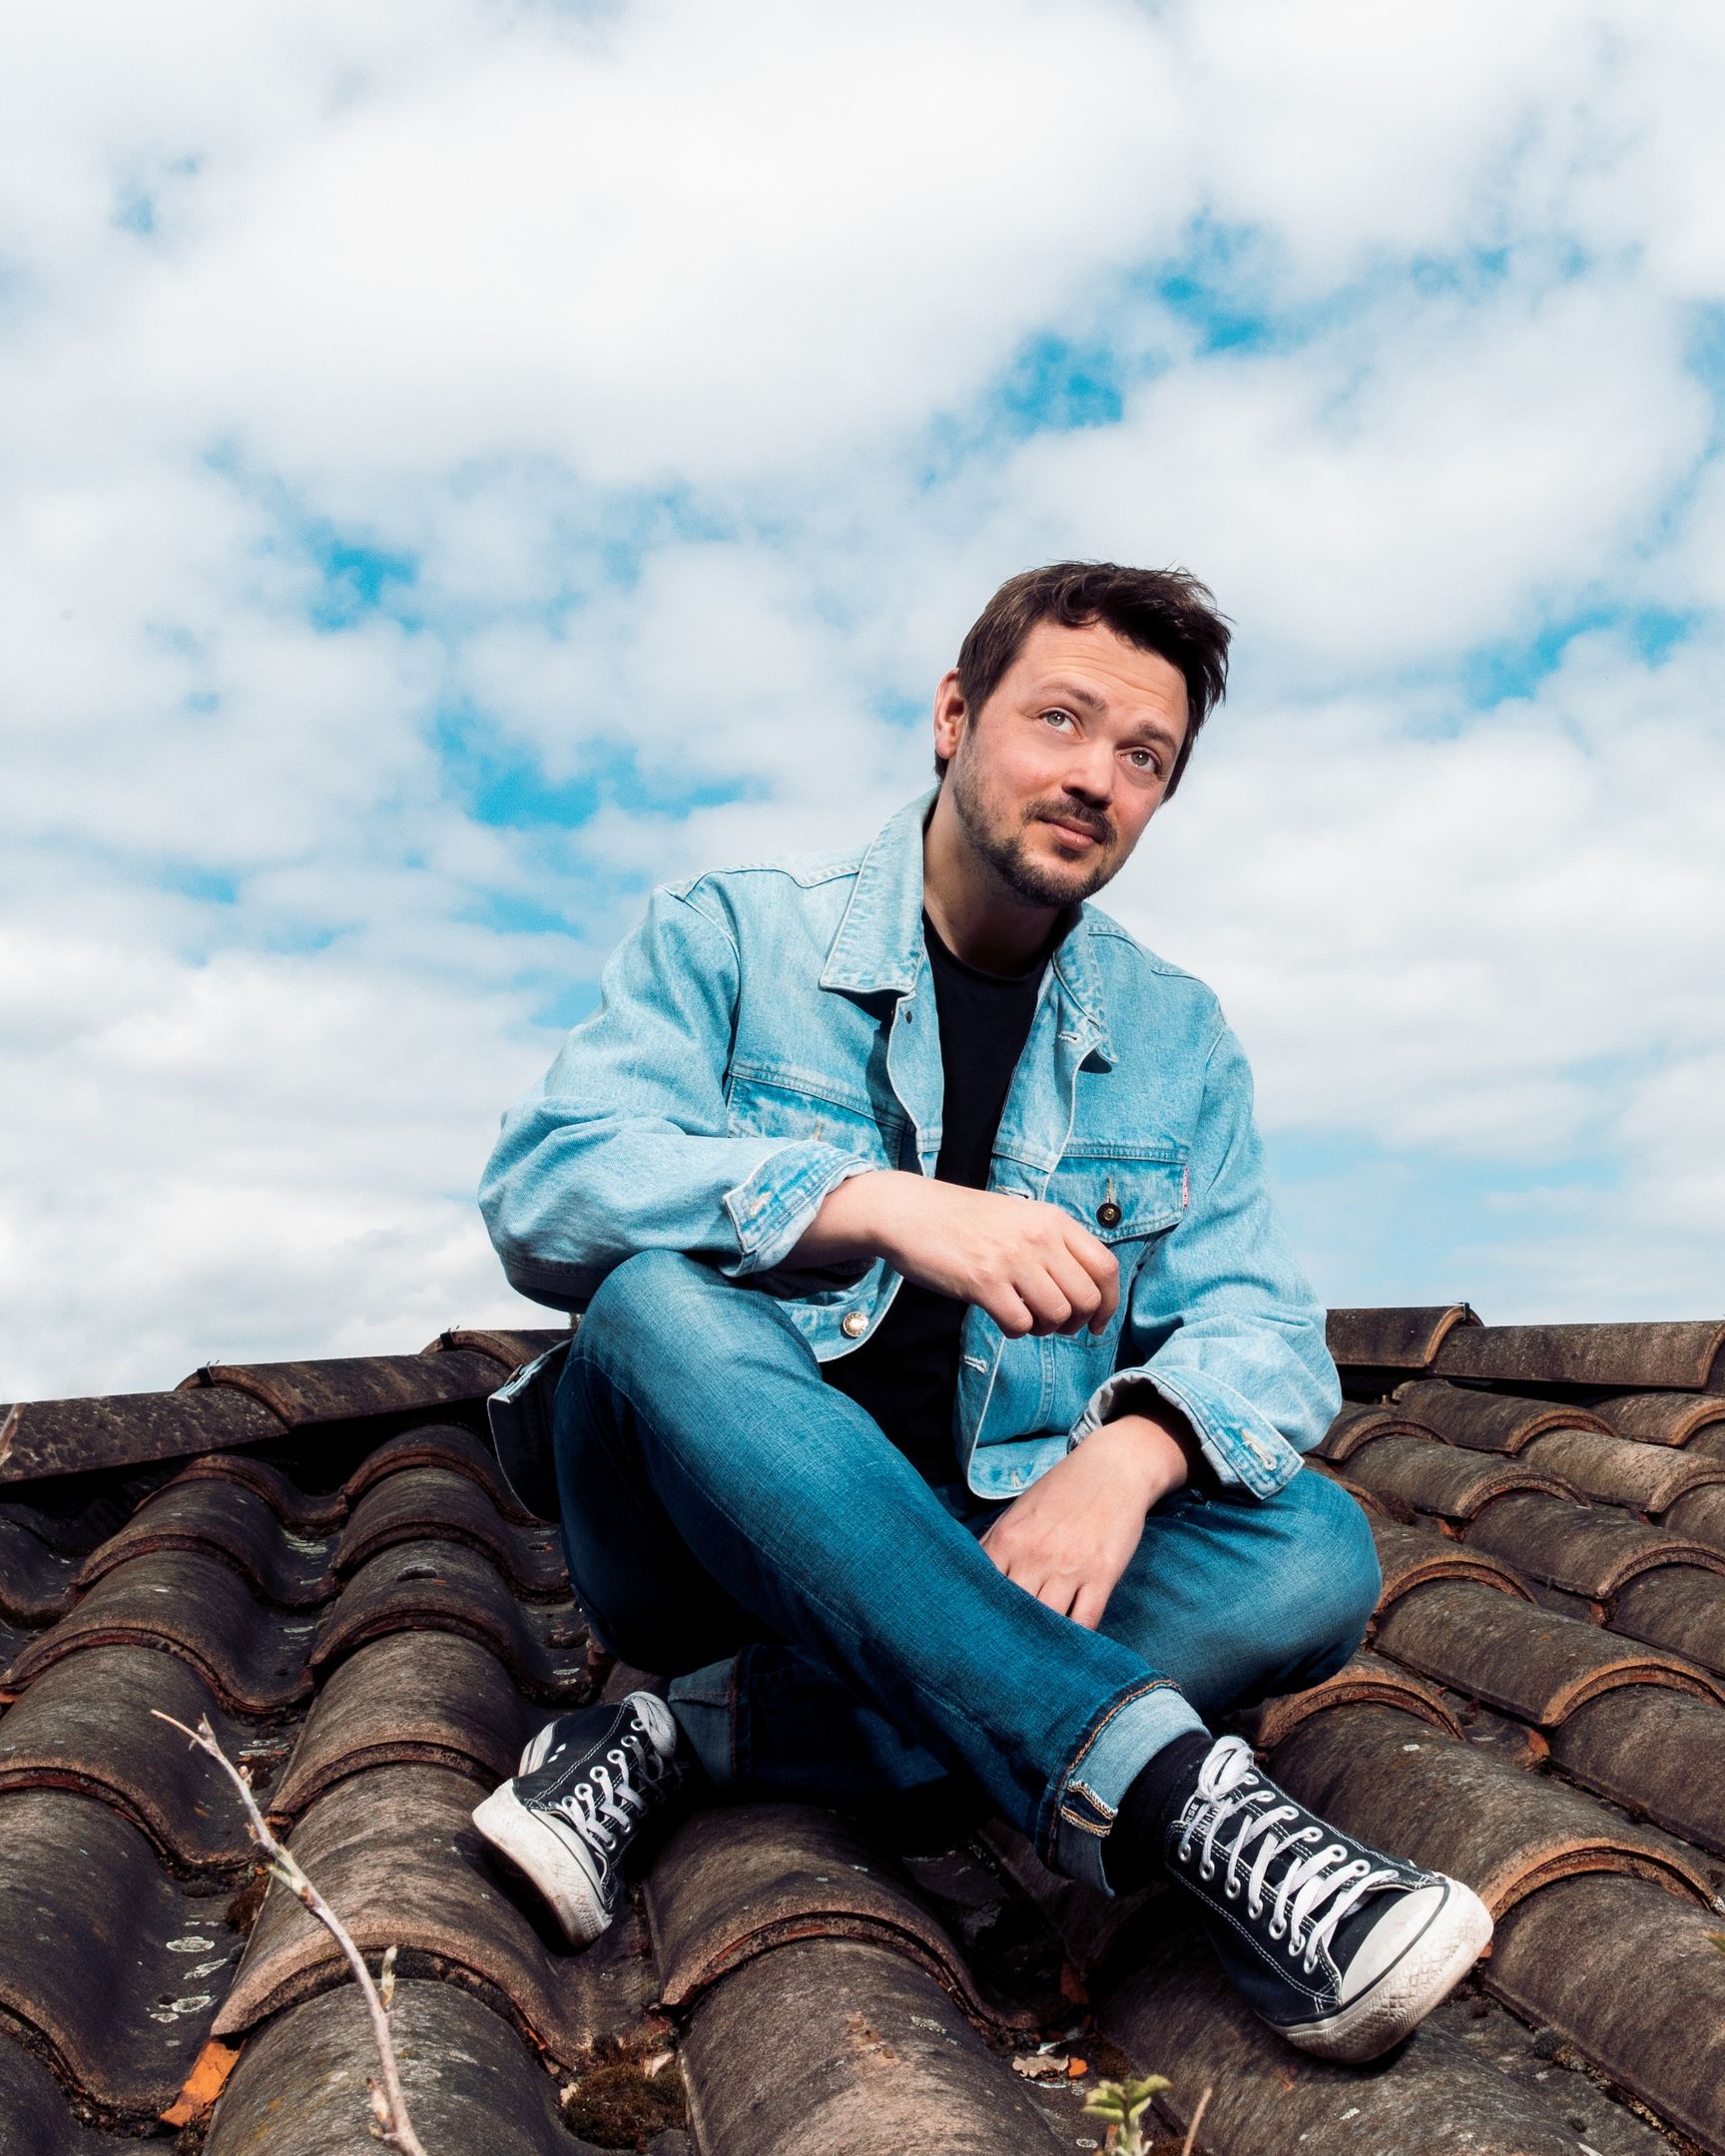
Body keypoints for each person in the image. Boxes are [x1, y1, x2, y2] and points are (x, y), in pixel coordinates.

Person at [472, 561, 1491, 2063]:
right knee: (650, 1306)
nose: (1096, 778)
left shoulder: (1176, 1037)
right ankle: (1172, 1794)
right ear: (955, 717)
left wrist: (1128, 1457)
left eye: (1144, 756)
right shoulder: (735, 934)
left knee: (1317, 1553)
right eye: (1059, 719)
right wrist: (871, 1202)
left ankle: (693, 1732)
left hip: (989, 1541)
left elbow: (1267, 1328)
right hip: (694, 1548)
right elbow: (548, 1184)